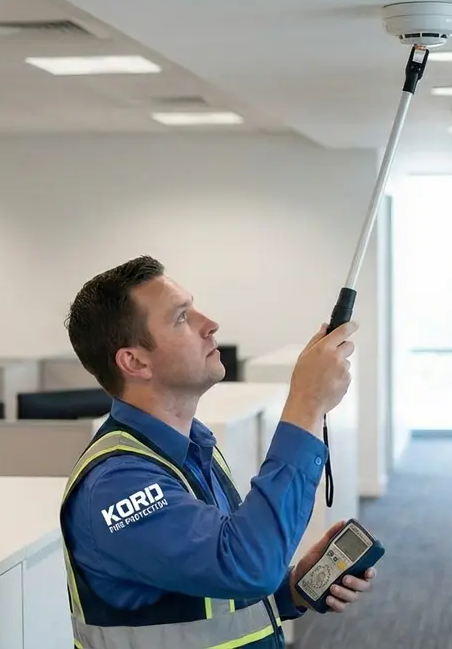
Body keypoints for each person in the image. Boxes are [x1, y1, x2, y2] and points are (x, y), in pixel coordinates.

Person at [59, 255, 377, 649]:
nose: (209, 325)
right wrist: (306, 404)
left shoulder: (192, 447)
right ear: (135, 360)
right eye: (181, 318)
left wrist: (290, 589)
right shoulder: (118, 484)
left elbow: (209, 589)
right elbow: (247, 565)